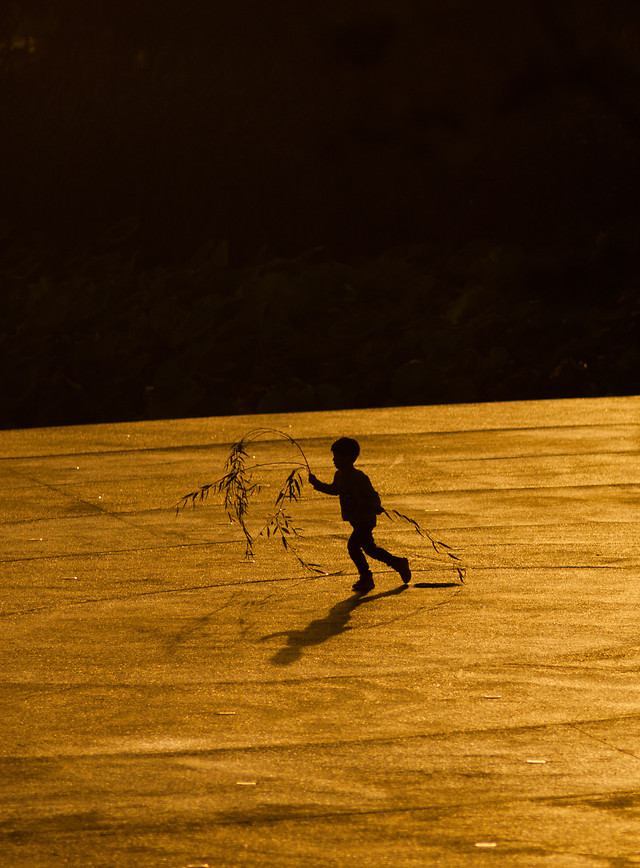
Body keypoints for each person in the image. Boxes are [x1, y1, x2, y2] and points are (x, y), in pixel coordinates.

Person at [308, 437, 411, 593]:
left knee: (353, 547)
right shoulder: (339, 475)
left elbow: (372, 494)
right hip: (356, 520)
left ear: (349, 458)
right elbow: (334, 490)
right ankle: (397, 563)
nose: (333, 460)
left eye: (337, 456)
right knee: (370, 549)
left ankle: (366, 577)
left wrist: (376, 506)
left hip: (365, 520)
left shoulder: (359, 477)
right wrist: (317, 484)